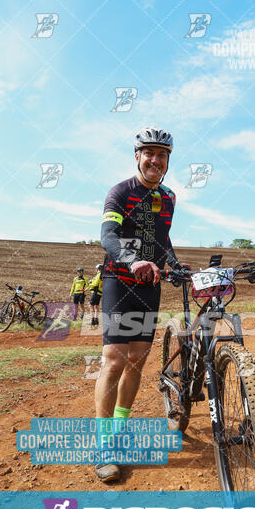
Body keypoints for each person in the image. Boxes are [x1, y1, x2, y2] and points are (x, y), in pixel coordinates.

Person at [95, 126, 190, 482]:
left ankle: (119, 430)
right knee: (116, 358)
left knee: (138, 359)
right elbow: (107, 235)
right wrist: (132, 259)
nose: (155, 160)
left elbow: (162, 237)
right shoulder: (121, 192)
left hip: (150, 284)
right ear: (137, 156)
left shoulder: (168, 197)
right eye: (148, 153)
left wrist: (175, 264)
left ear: (167, 160)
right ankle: (104, 446)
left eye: (162, 155)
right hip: (120, 279)